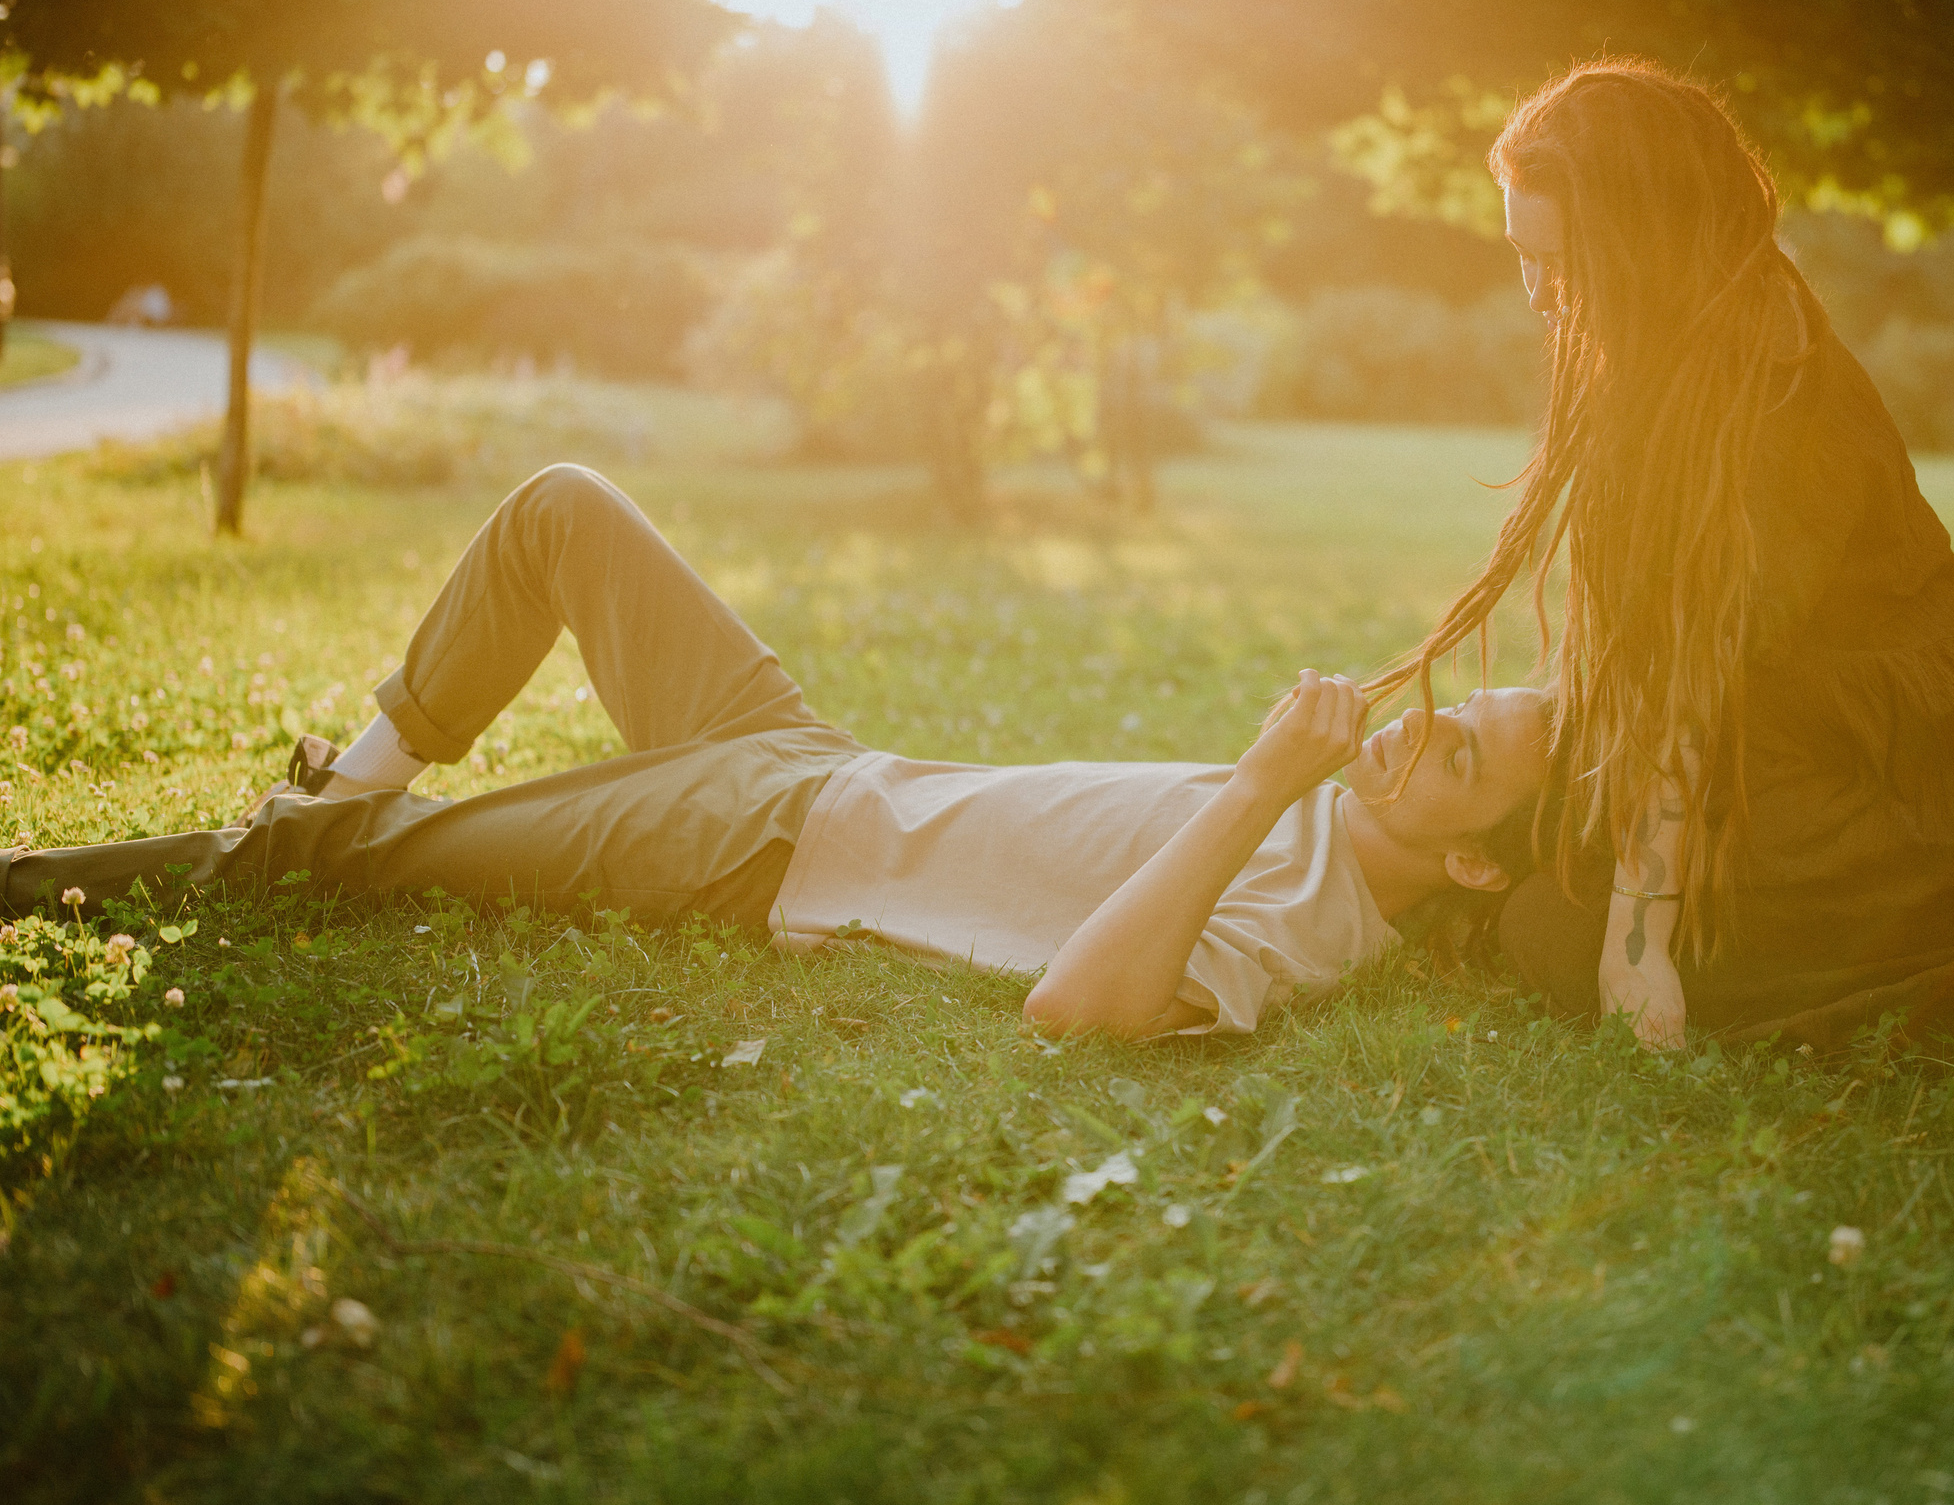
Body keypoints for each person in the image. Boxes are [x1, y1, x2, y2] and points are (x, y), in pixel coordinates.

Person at [2, 465, 1553, 1040]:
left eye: (1464, 758)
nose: (1427, 725)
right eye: (1458, 704)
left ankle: (56, 877)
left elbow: (1077, 1012)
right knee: (562, 511)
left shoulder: (1310, 918)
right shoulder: (1343, 826)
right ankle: (351, 772)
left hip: (757, 841)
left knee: (352, 873)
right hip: (807, 756)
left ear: (1473, 860)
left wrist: (1263, 786)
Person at [1368, 59, 1954, 1077]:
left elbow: (1679, 691)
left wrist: (1637, 945)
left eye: (1563, 259)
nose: (1539, 294)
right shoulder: (1685, 339)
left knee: (1557, 933)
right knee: (1559, 887)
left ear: (1647, 240)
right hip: (1835, 754)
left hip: (1944, 786)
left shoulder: (1758, 390)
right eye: (1521, 255)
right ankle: (1946, 967)